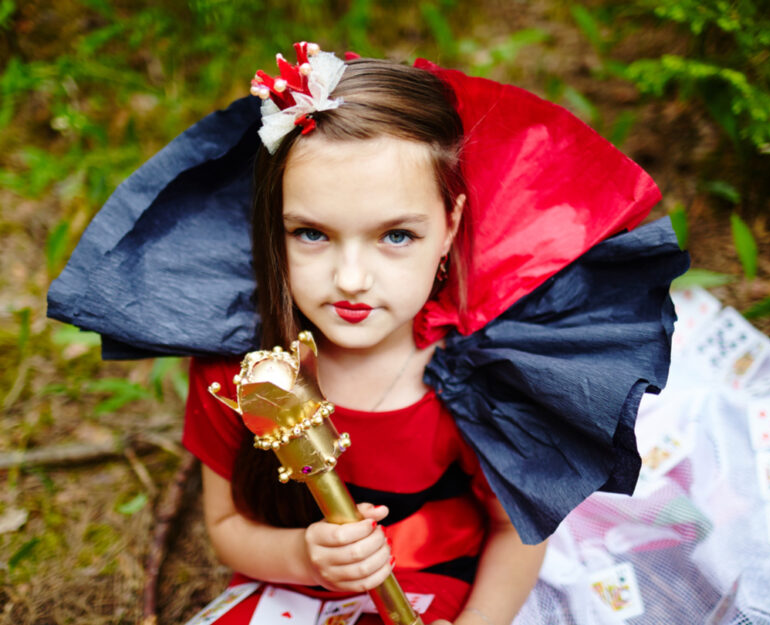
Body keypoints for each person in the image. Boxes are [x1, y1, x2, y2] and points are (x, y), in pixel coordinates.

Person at [47, 43, 689, 625]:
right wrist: (304, 557)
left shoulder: (484, 381)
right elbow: (225, 528)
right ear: (273, 229)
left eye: (396, 236)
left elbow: (513, 533)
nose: (351, 278)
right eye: (312, 234)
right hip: (297, 593)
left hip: (438, 590)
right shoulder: (240, 375)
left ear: (449, 226)